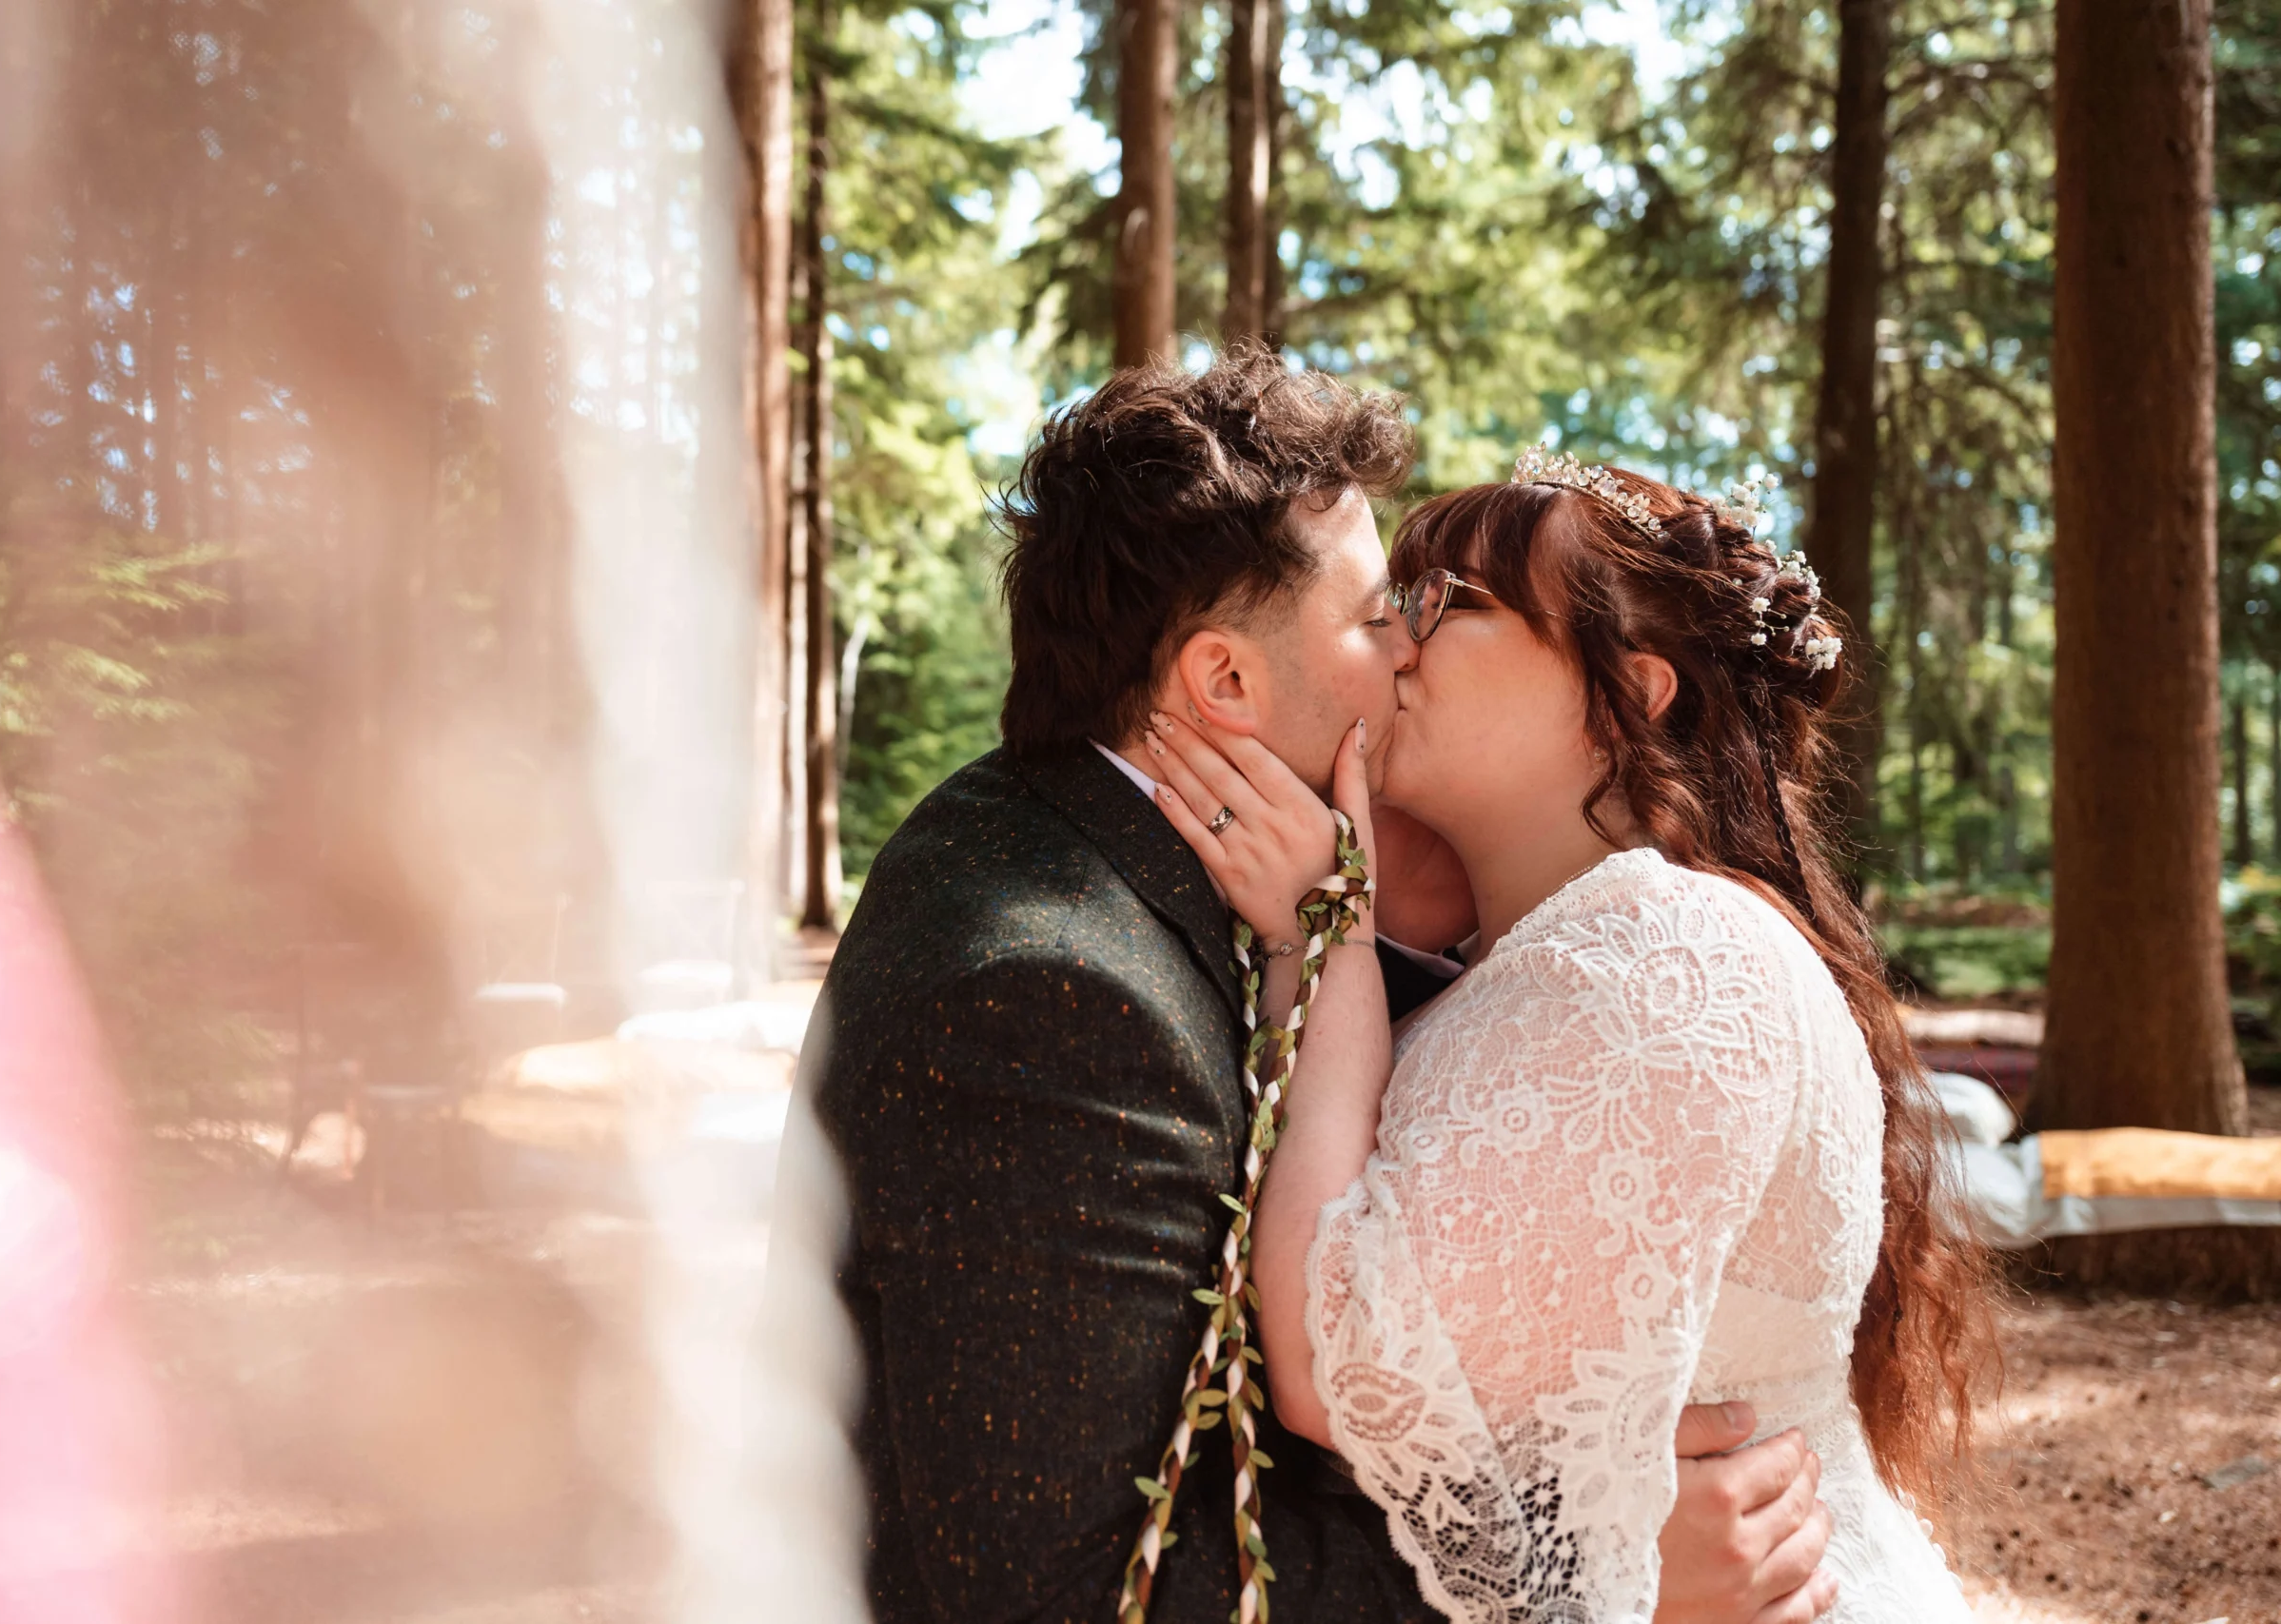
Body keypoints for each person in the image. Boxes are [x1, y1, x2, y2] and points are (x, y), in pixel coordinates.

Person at [799, 349, 1840, 1623]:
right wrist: (1595, 1572)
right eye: (1375, 615)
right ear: (1225, 681)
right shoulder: (1047, 990)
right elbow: (1065, 1587)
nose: (1408, 646)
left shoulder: (1102, 850)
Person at [1140, 455, 1996, 1622]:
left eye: (1452, 602)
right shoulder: (1542, 957)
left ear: (1629, 693)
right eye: (1397, 597)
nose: (1396, 639)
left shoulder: (1669, 953)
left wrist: (1319, 937)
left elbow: (1339, 1368)